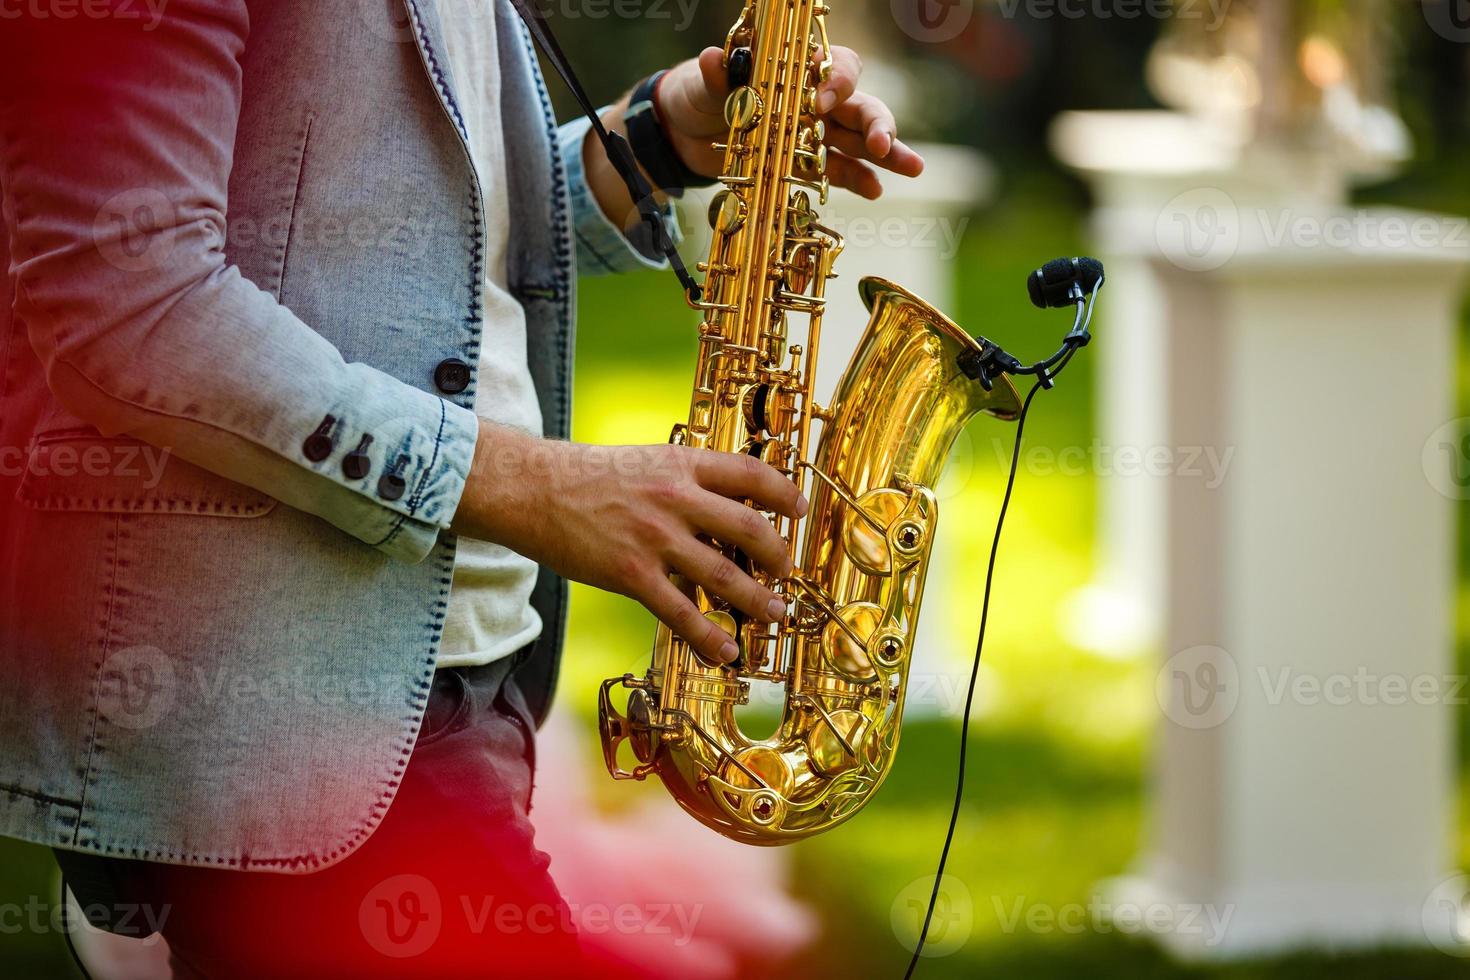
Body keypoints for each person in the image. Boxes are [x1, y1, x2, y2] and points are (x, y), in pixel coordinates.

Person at [0, 1, 922, 975]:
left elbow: (395, 231)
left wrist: (651, 142)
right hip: (292, 702)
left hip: (461, 678)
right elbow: (132, 306)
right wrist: (531, 487)